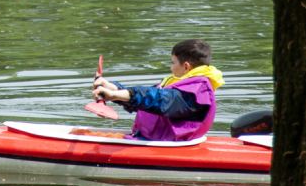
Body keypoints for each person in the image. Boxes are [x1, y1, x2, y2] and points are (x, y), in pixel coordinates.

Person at [91, 39, 224, 141]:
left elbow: (158, 100)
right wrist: (113, 88)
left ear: (186, 66)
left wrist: (114, 95)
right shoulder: (181, 83)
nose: (171, 67)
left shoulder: (194, 92)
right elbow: (146, 99)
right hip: (154, 139)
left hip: (165, 144)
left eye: (173, 62)